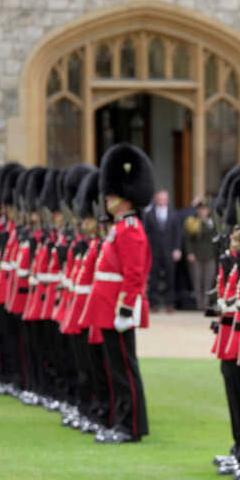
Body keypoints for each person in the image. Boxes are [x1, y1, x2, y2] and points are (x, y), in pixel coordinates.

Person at [78, 143, 155, 443]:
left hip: (117, 309)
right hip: (108, 307)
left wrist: (125, 309)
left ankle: (130, 426)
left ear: (124, 197)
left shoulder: (131, 229)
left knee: (124, 369)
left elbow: (134, 275)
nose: (107, 198)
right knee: (116, 369)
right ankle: (123, 422)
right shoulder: (120, 228)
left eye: (111, 194)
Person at [143, 188, 181, 311]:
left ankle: (170, 303)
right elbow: (145, 233)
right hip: (154, 251)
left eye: (164, 198)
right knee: (153, 278)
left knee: (170, 278)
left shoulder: (173, 214)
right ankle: (154, 303)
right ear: (156, 199)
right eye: (160, 198)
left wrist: (177, 249)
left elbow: (177, 233)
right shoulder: (149, 214)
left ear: (167, 200)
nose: (162, 200)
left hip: (169, 250)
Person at [184, 198, 218, 312]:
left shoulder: (212, 221)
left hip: (210, 255)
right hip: (197, 254)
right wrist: (190, 253)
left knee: (209, 280)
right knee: (197, 280)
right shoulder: (192, 222)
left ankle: (206, 303)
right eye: (200, 209)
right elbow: (187, 239)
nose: (202, 212)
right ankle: (199, 304)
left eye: (204, 209)